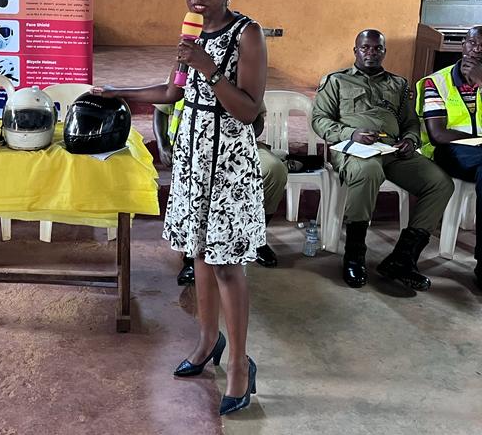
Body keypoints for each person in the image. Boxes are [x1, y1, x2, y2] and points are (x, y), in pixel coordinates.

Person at [96, 0, 266, 415]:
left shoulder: (247, 35)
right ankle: (207, 341)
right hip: (192, 158)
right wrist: (119, 93)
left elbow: (249, 110)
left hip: (228, 162)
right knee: (200, 257)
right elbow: (173, 91)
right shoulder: (190, 33)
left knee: (229, 265)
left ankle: (238, 364)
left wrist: (210, 71)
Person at [312, 29, 453, 290]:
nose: (371, 53)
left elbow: (411, 122)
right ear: (355, 51)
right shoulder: (336, 81)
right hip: (353, 150)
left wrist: (411, 141)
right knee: (368, 171)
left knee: (440, 183)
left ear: (384, 52)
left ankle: (403, 258)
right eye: (365, 48)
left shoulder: (398, 84)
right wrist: (351, 133)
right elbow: (319, 120)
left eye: (377, 49)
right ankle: (355, 254)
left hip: (392, 151)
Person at [154, 100, 286, 283]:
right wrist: (162, 145)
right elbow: (160, 108)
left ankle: (257, 239)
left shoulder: (239, 72)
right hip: (196, 147)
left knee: (275, 170)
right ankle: (193, 258)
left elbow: (257, 119)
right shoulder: (187, 71)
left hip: (237, 147)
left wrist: (237, 141)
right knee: (204, 181)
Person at [416, 24, 482, 287]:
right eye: (472, 43)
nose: (477, 50)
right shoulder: (437, 81)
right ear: (462, 45)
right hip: (449, 153)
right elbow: (439, 135)